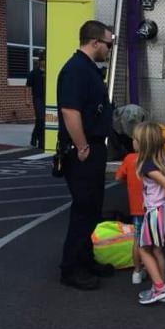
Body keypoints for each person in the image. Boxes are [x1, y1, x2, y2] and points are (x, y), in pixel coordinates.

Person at [57, 21, 114, 290]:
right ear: (94, 42)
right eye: (108, 44)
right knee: (83, 209)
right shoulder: (75, 70)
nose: (109, 49)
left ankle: (86, 259)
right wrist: (82, 147)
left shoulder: (88, 69)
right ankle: (70, 269)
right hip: (83, 151)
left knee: (92, 208)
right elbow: (70, 112)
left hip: (93, 148)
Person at [134, 122, 165, 305]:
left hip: (157, 211)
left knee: (142, 249)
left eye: (135, 139)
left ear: (143, 143)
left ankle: (160, 287)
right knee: (155, 250)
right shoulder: (162, 160)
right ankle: (159, 286)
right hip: (164, 210)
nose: (133, 142)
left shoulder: (147, 165)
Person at [115, 149, 147, 286]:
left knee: (137, 240)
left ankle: (137, 271)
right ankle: (156, 270)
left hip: (136, 208)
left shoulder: (129, 158)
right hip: (153, 208)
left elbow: (118, 177)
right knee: (154, 242)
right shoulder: (158, 158)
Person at [25, 52, 45, 149]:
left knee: (45, 120)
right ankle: (35, 137)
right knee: (40, 119)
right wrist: (27, 100)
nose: (44, 62)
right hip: (38, 98)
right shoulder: (33, 73)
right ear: (40, 61)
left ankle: (41, 141)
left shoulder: (50, 72)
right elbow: (28, 87)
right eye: (43, 60)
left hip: (48, 99)